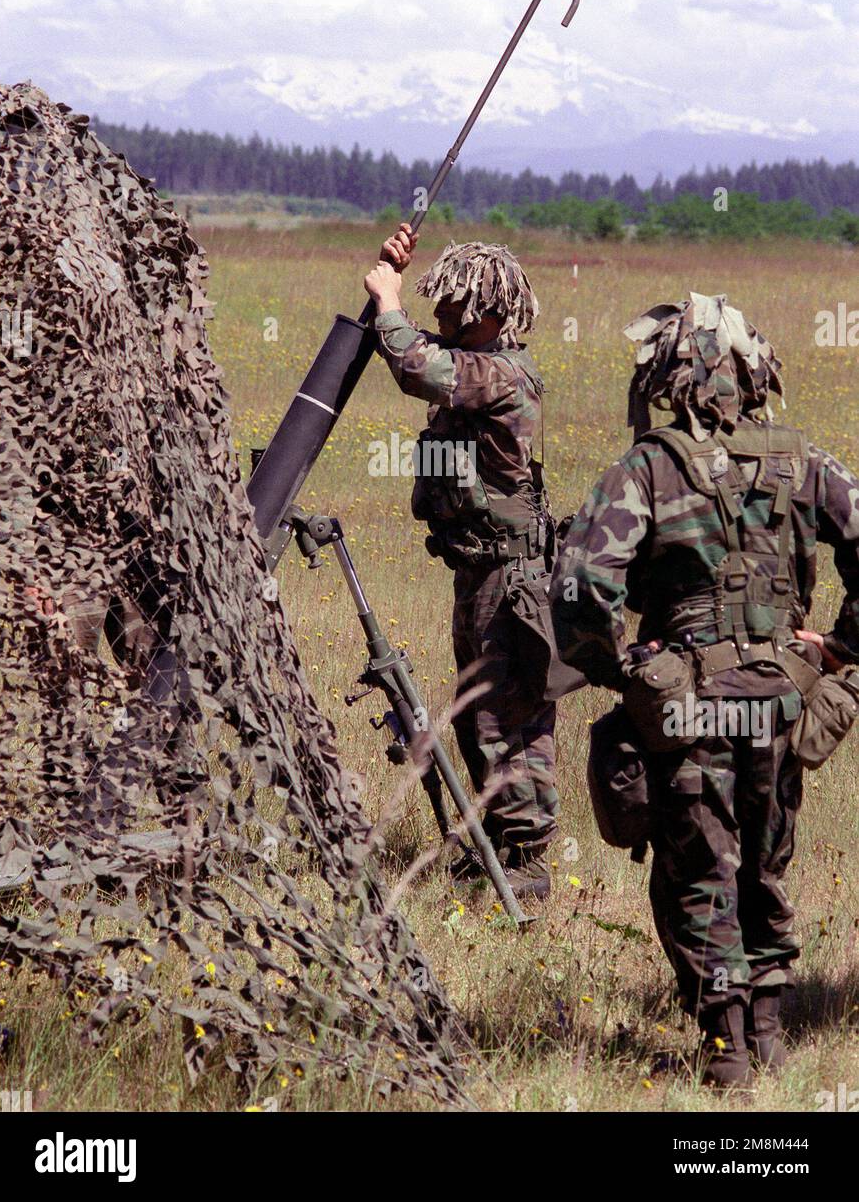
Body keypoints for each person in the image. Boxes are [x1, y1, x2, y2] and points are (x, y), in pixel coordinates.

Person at [550, 292, 859, 1085]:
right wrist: (840, 647)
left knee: (699, 873)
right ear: (753, 377)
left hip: (690, 706)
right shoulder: (805, 462)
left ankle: (726, 1059)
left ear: (668, 376)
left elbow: (584, 585)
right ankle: (768, 1033)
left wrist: (621, 664)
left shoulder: (648, 467)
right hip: (784, 701)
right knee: (762, 865)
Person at [364, 223, 572, 900]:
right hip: (478, 572)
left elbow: (414, 365)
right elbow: (413, 353)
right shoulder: (474, 366)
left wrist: (389, 300)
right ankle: (493, 845)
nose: (443, 320)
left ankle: (526, 864)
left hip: (510, 579)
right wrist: (391, 279)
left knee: (506, 717)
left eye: (453, 309)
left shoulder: (503, 376)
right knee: (481, 715)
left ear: (486, 313)